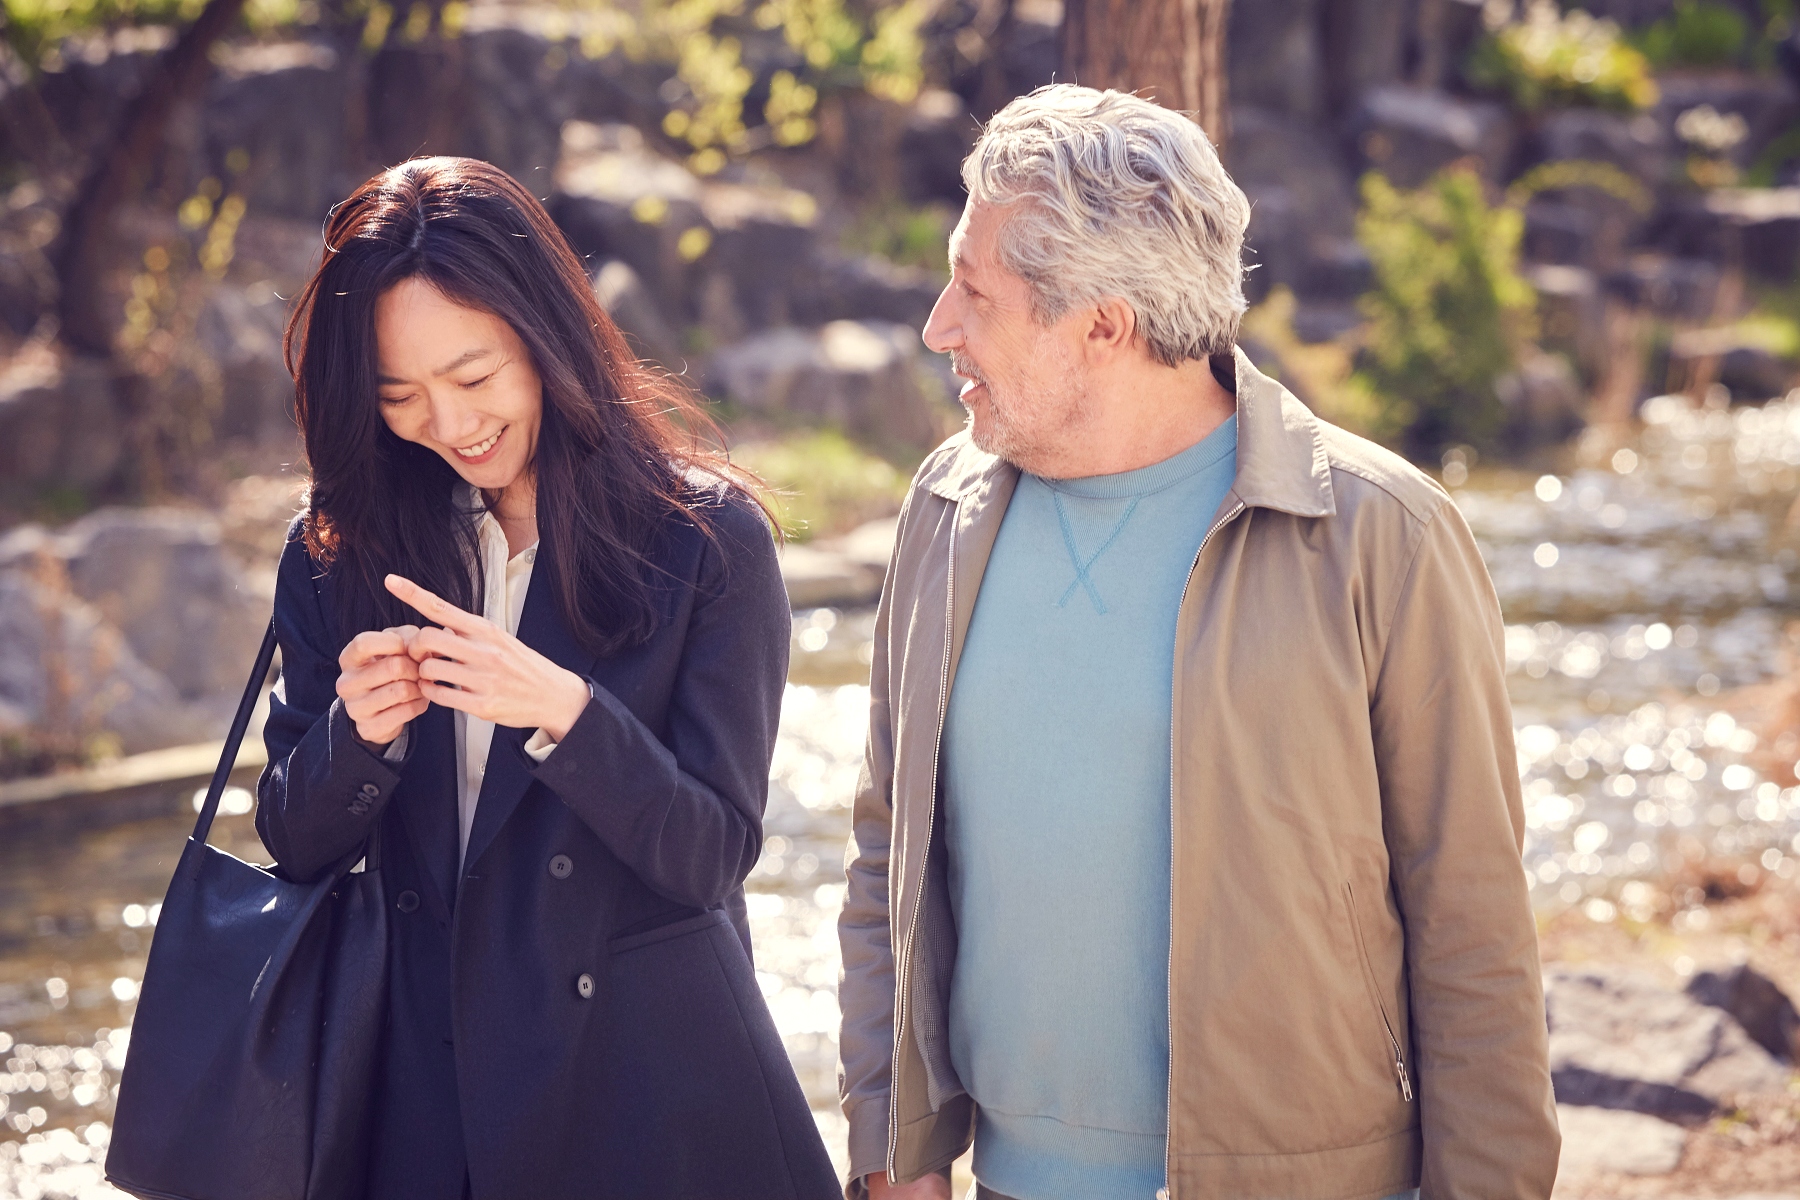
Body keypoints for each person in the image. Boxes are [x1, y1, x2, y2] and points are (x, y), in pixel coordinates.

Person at [837, 85, 1560, 1200]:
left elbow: (1473, 929)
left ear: (1104, 325)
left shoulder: (1383, 534)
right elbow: (889, 850)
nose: (938, 326)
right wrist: (895, 1149)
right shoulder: (945, 506)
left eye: (973, 293)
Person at [257, 156, 840, 1200]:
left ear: (545, 333)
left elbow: (712, 854)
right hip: (422, 1099)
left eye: (473, 378)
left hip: (647, 1099)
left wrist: (568, 716)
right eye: (402, 395)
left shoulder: (704, 540)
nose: (449, 422)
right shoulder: (336, 551)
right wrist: (361, 736)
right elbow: (292, 840)